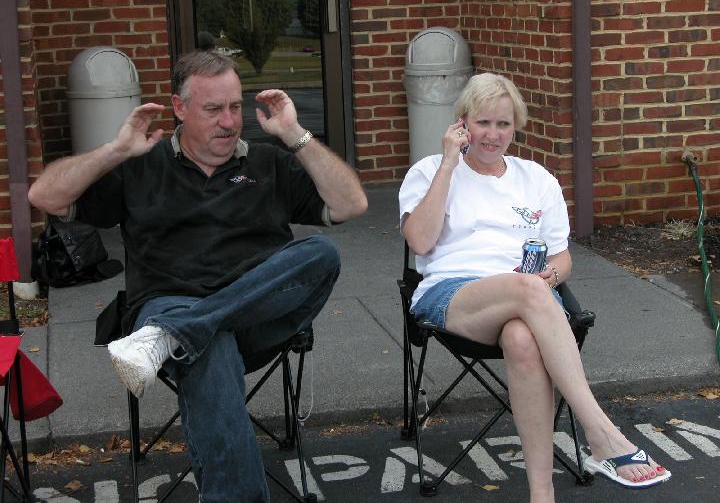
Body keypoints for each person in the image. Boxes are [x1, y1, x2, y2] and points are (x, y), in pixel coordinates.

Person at [28, 50, 367, 502]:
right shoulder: (141, 165)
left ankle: (174, 333)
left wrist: (295, 134)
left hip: (256, 314)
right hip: (170, 300)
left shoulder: (266, 163)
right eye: (213, 109)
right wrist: (116, 150)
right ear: (179, 108)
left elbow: (351, 205)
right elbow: (44, 196)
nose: (229, 122)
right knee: (210, 347)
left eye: (235, 107)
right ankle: (186, 330)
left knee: (320, 253)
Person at [398, 73, 670, 502]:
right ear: (462, 123)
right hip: (452, 295)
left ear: (516, 127)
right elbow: (419, 241)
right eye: (482, 122)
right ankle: (601, 433)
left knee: (523, 339)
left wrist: (551, 277)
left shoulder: (536, 179)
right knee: (528, 290)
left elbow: (562, 258)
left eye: (503, 124)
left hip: (529, 301)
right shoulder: (429, 170)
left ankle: (542, 494)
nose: (492, 135)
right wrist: (449, 164)